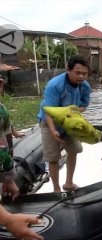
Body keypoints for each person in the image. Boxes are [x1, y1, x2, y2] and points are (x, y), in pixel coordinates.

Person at [37, 55, 91, 193]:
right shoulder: (55, 85)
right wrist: (53, 130)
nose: (81, 76)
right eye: (77, 73)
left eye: (84, 73)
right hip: (50, 121)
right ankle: (56, 189)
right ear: (68, 70)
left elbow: (84, 105)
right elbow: (48, 111)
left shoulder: (85, 86)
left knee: (74, 150)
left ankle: (69, 183)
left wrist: (74, 111)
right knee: (53, 157)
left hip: (69, 121)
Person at [0, 77, 43, 240]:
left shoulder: (1, 108)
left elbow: (6, 125)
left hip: (5, 157)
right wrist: (8, 220)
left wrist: (8, 178)